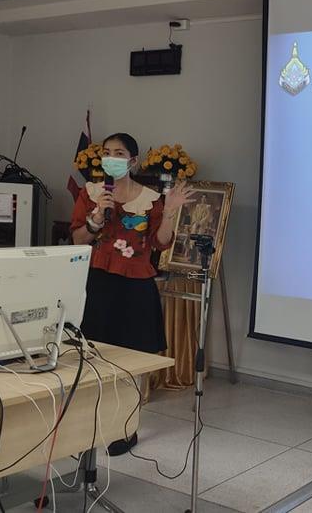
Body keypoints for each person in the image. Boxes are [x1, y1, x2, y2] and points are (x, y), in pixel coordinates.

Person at [70, 132, 194, 455]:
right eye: (107, 152)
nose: (111, 158)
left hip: (136, 284)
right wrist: (97, 217)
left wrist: (170, 212)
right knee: (94, 356)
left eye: (119, 153)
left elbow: (160, 242)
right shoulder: (91, 193)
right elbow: (78, 239)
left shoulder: (150, 198)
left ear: (133, 161)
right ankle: (90, 425)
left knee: (130, 361)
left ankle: (126, 427)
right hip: (99, 282)